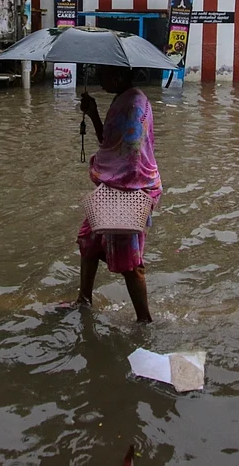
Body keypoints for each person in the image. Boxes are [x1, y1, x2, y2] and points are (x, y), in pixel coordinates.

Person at [75, 65, 162, 323]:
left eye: (103, 75)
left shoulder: (135, 106)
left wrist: (108, 175)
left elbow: (133, 159)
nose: (100, 81)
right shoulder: (122, 100)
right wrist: (92, 114)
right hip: (114, 187)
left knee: (131, 264)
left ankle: (144, 320)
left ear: (118, 75)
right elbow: (110, 144)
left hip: (130, 189)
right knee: (88, 243)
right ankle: (84, 299)